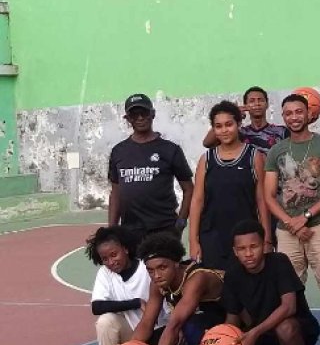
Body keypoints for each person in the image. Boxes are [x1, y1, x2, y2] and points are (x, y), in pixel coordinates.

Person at [265, 93, 320, 345]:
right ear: (283, 116)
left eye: (299, 112)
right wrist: (290, 222)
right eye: (288, 113)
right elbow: (268, 194)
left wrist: (306, 217)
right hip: (287, 231)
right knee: (289, 293)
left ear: (308, 114)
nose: (294, 117)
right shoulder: (276, 151)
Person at [222, 220, 320, 345]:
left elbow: (289, 307)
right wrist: (220, 340)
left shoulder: (278, 262)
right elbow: (232, 318)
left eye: (254, 246)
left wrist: (254, 333)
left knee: (285, 328)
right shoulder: (232, 276)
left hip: (300, 331)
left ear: (264, 245)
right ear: (235, 251)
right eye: (242, 249)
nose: (249, 253)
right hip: (264, 335)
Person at [130, 233, 227, 345]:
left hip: (229, 325)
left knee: (188, 326)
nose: (156, 275)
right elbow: (146, 323)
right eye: (151, 270)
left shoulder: (197, 278)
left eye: (162, 267)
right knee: (150, 344)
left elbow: (175, 324)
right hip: (199, 327)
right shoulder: (158, 283)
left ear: (176, 263)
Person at [88, 225, 176, 345]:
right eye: (105, 258)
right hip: (134, 333)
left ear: (126, 249)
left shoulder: (147, 268)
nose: (110, 262)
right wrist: (134, 303)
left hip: (162, 330)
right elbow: (96, 306)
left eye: (114, 255)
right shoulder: (105, 273)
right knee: (105, 322)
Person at [189, 101, 270, 271]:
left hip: (245, 238)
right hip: (212, 237)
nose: (224, 130)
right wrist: (193, 240)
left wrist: (267, 238)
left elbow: (261, 200)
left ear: (239, 124)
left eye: (229, 124)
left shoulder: (254, 157)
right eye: (218, 126)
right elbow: (197, 201)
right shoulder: (207, 159)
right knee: (215, 289)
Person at [108, 93, 194, 246]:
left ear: (152, 114)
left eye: (144, 113)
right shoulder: (118, 152)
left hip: (164, 229)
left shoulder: (170, 150)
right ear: (127, 119)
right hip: (130, 231)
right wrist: (112, 230)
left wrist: (180, 223)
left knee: (164, 269)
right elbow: (115, 193)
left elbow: (188, 189)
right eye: (134, 115)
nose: (140, 118)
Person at [202, 86, 288, 152]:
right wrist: (233, 115)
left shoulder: (281, 131)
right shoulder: (239, 133)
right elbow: (207, 143)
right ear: (245, 105)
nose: (257, 103)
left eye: (260, 100)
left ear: (267, 104)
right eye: (252, 101)